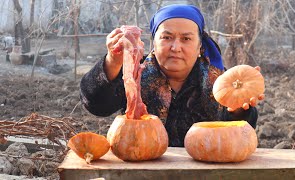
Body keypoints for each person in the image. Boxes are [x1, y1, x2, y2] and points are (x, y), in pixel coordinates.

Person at [80, 4, 264, 147]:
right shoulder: (134, 75)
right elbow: (96, 106)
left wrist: (239, 110)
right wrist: (112, 61)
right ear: (154, 42)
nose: (175, 47)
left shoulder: (221, 82)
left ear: (200, 45)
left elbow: (237, 133)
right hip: (141, 166)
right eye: (166, 37)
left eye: (186, 39)